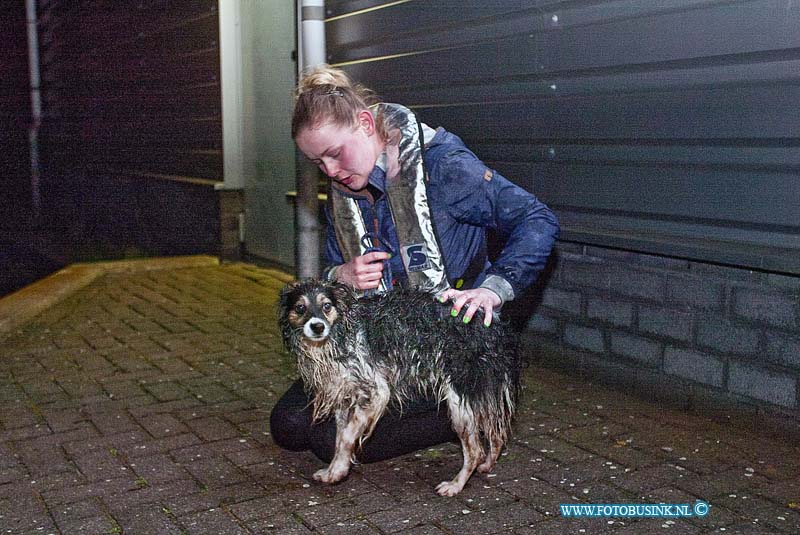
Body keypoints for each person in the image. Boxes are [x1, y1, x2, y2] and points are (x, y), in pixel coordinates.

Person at [270, 65, 559, 463]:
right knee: (287, 425)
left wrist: (493, 289)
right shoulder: (345, 192)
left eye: (335, 154)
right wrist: (340, 275)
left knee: (325, 442)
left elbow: (537, 218)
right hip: (378, 346)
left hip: (447, 346)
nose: (331, 172)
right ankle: (438, 406)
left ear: (366, 123)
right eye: (319, 163)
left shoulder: (445, 166)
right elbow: (332, 275)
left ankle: (470, 407)